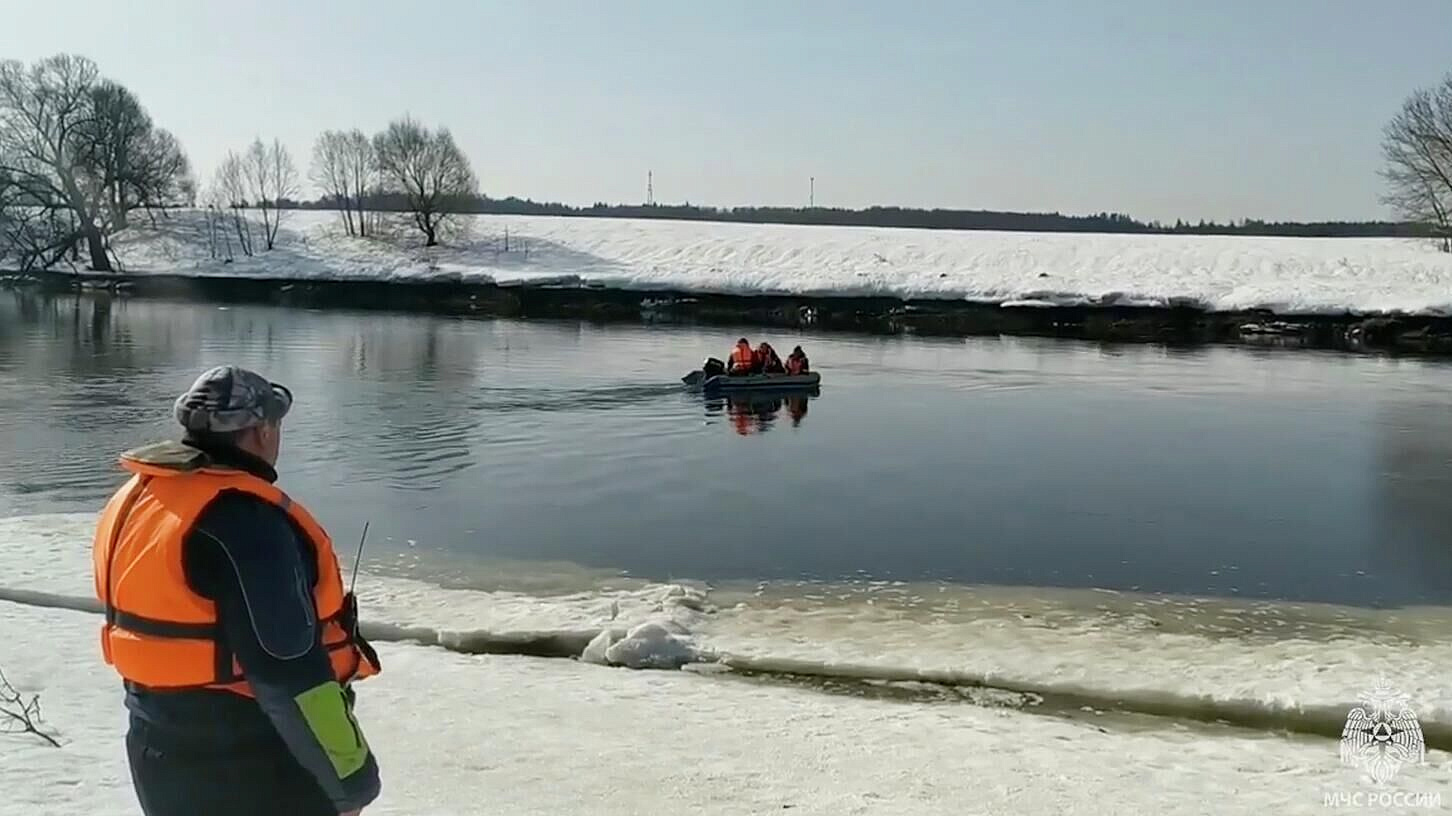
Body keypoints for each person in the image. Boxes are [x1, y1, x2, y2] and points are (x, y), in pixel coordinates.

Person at [91, 365, 382, 816]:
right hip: (248, 762)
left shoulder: (142, 496)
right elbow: (289, 675)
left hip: (156, 745)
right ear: (262, 432)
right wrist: (352, 782)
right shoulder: (248, 525)